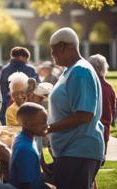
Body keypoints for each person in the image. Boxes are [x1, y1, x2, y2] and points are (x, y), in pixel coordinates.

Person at [47, 27, 104, 189]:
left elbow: (84, 115)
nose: (52, 54)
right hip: (70, 152)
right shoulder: (70, 71)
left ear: (63, 46)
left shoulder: (81, 71)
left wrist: (47, 128)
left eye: (53, 50)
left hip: (78, 151)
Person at [0, 102, 49, 189]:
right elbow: (25, 185)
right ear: (26, 124)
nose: (47, 126)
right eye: (42, 123)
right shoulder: (26, 149)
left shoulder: (22, 138)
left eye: (46, 121)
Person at [0, 47, 39, 125]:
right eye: (26, 59)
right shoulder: (31, 69)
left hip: (7, 105)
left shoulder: (5, 70)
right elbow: (36, 89)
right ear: (23, 57)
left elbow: (2, 90)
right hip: (28, 107)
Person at [88, 54, 116, 157]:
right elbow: (113, 112)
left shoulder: (89, 85)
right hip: (104, 134)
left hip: (90, 133)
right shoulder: (109, 88)